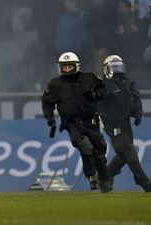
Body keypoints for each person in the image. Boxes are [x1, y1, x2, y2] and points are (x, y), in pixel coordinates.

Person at [42, 52, 111, 193]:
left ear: (76, 66)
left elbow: (103, 89)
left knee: (99, 152)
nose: (67, 69)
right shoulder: (55, 84)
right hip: (71, 123)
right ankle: (92, 177)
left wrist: (98, 94)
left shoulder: (89, 78)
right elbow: (47, 102)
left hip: (91, 121)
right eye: (64, 67)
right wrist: (50, 119)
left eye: (70, 66)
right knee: (84, 146)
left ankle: (105, 181)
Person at [98, 55, 151, 192]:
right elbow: (97, 99)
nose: (117, 70)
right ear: (106, 69)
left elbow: (136, 97)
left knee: (124, 155)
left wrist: (138, 113)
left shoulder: (127, 83)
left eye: (119, 67)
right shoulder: (102, 84)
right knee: (128, 149)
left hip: (125, 123)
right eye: (113, 67)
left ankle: (105, 176)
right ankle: (144, 181)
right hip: (112, 124)